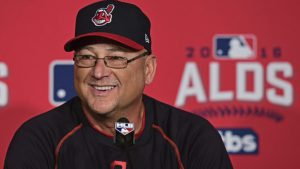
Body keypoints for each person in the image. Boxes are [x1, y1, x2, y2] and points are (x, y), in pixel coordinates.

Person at [4, 0, 233, 169]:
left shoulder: (191, 138)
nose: (99, 71)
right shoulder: (39, 139)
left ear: (148, 69)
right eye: (86, 57)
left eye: (116, 58)